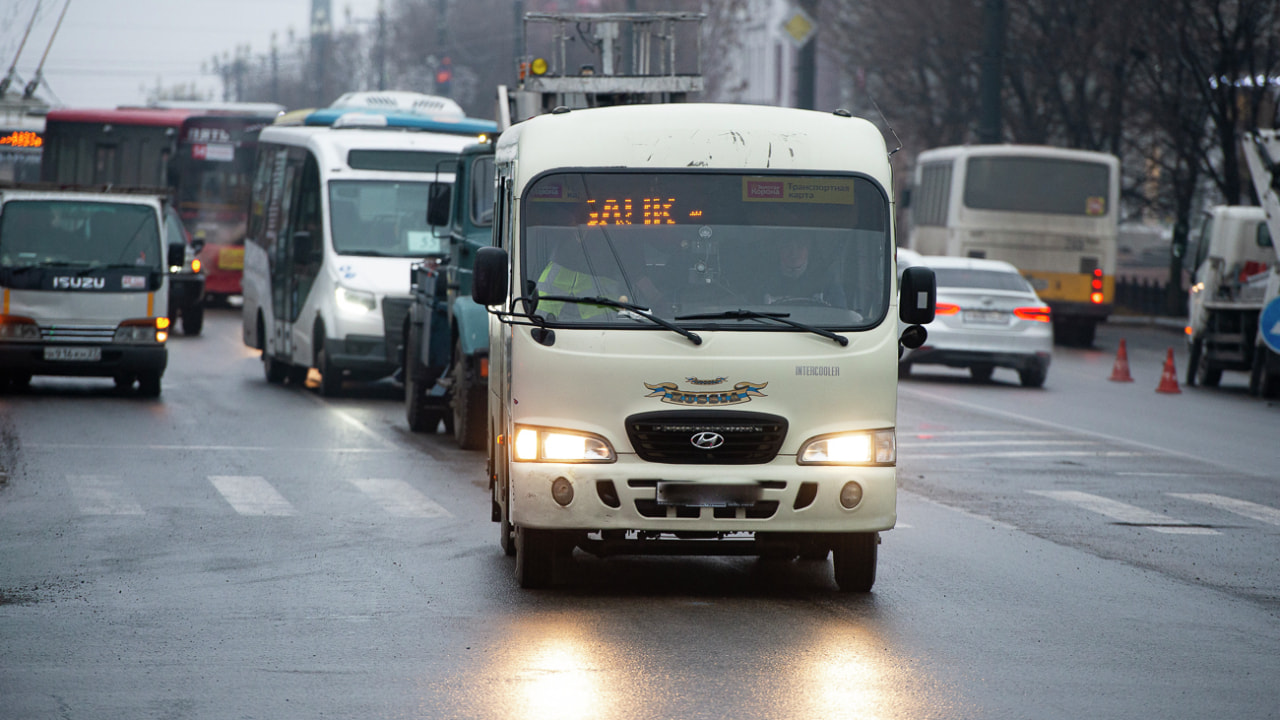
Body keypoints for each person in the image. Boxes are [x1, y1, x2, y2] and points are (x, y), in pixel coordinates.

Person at [761, 236, 846, 307]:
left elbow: (842, 318)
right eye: (787, 247)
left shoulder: (828, 282)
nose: (793, 253)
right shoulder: (762, 281)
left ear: (808, 250)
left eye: (800, 247)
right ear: (779, 250)